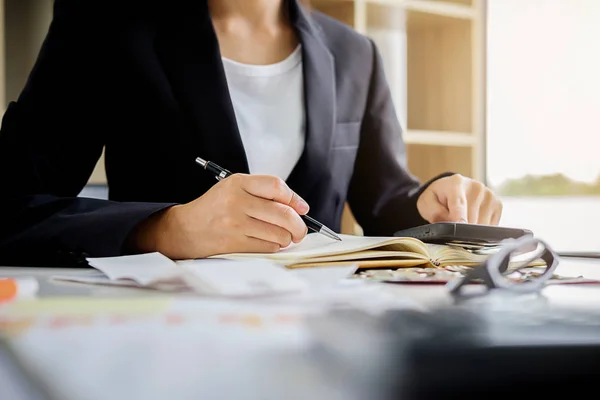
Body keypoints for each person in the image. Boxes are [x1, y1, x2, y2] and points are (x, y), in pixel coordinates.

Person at [0, 0, 502, 267]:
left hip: (325, 339)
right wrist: (165, 229)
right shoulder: (102, 22)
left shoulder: (355, 53)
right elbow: (10, 206)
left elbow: (386, 204)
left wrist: (432, 204)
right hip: (164, 337)